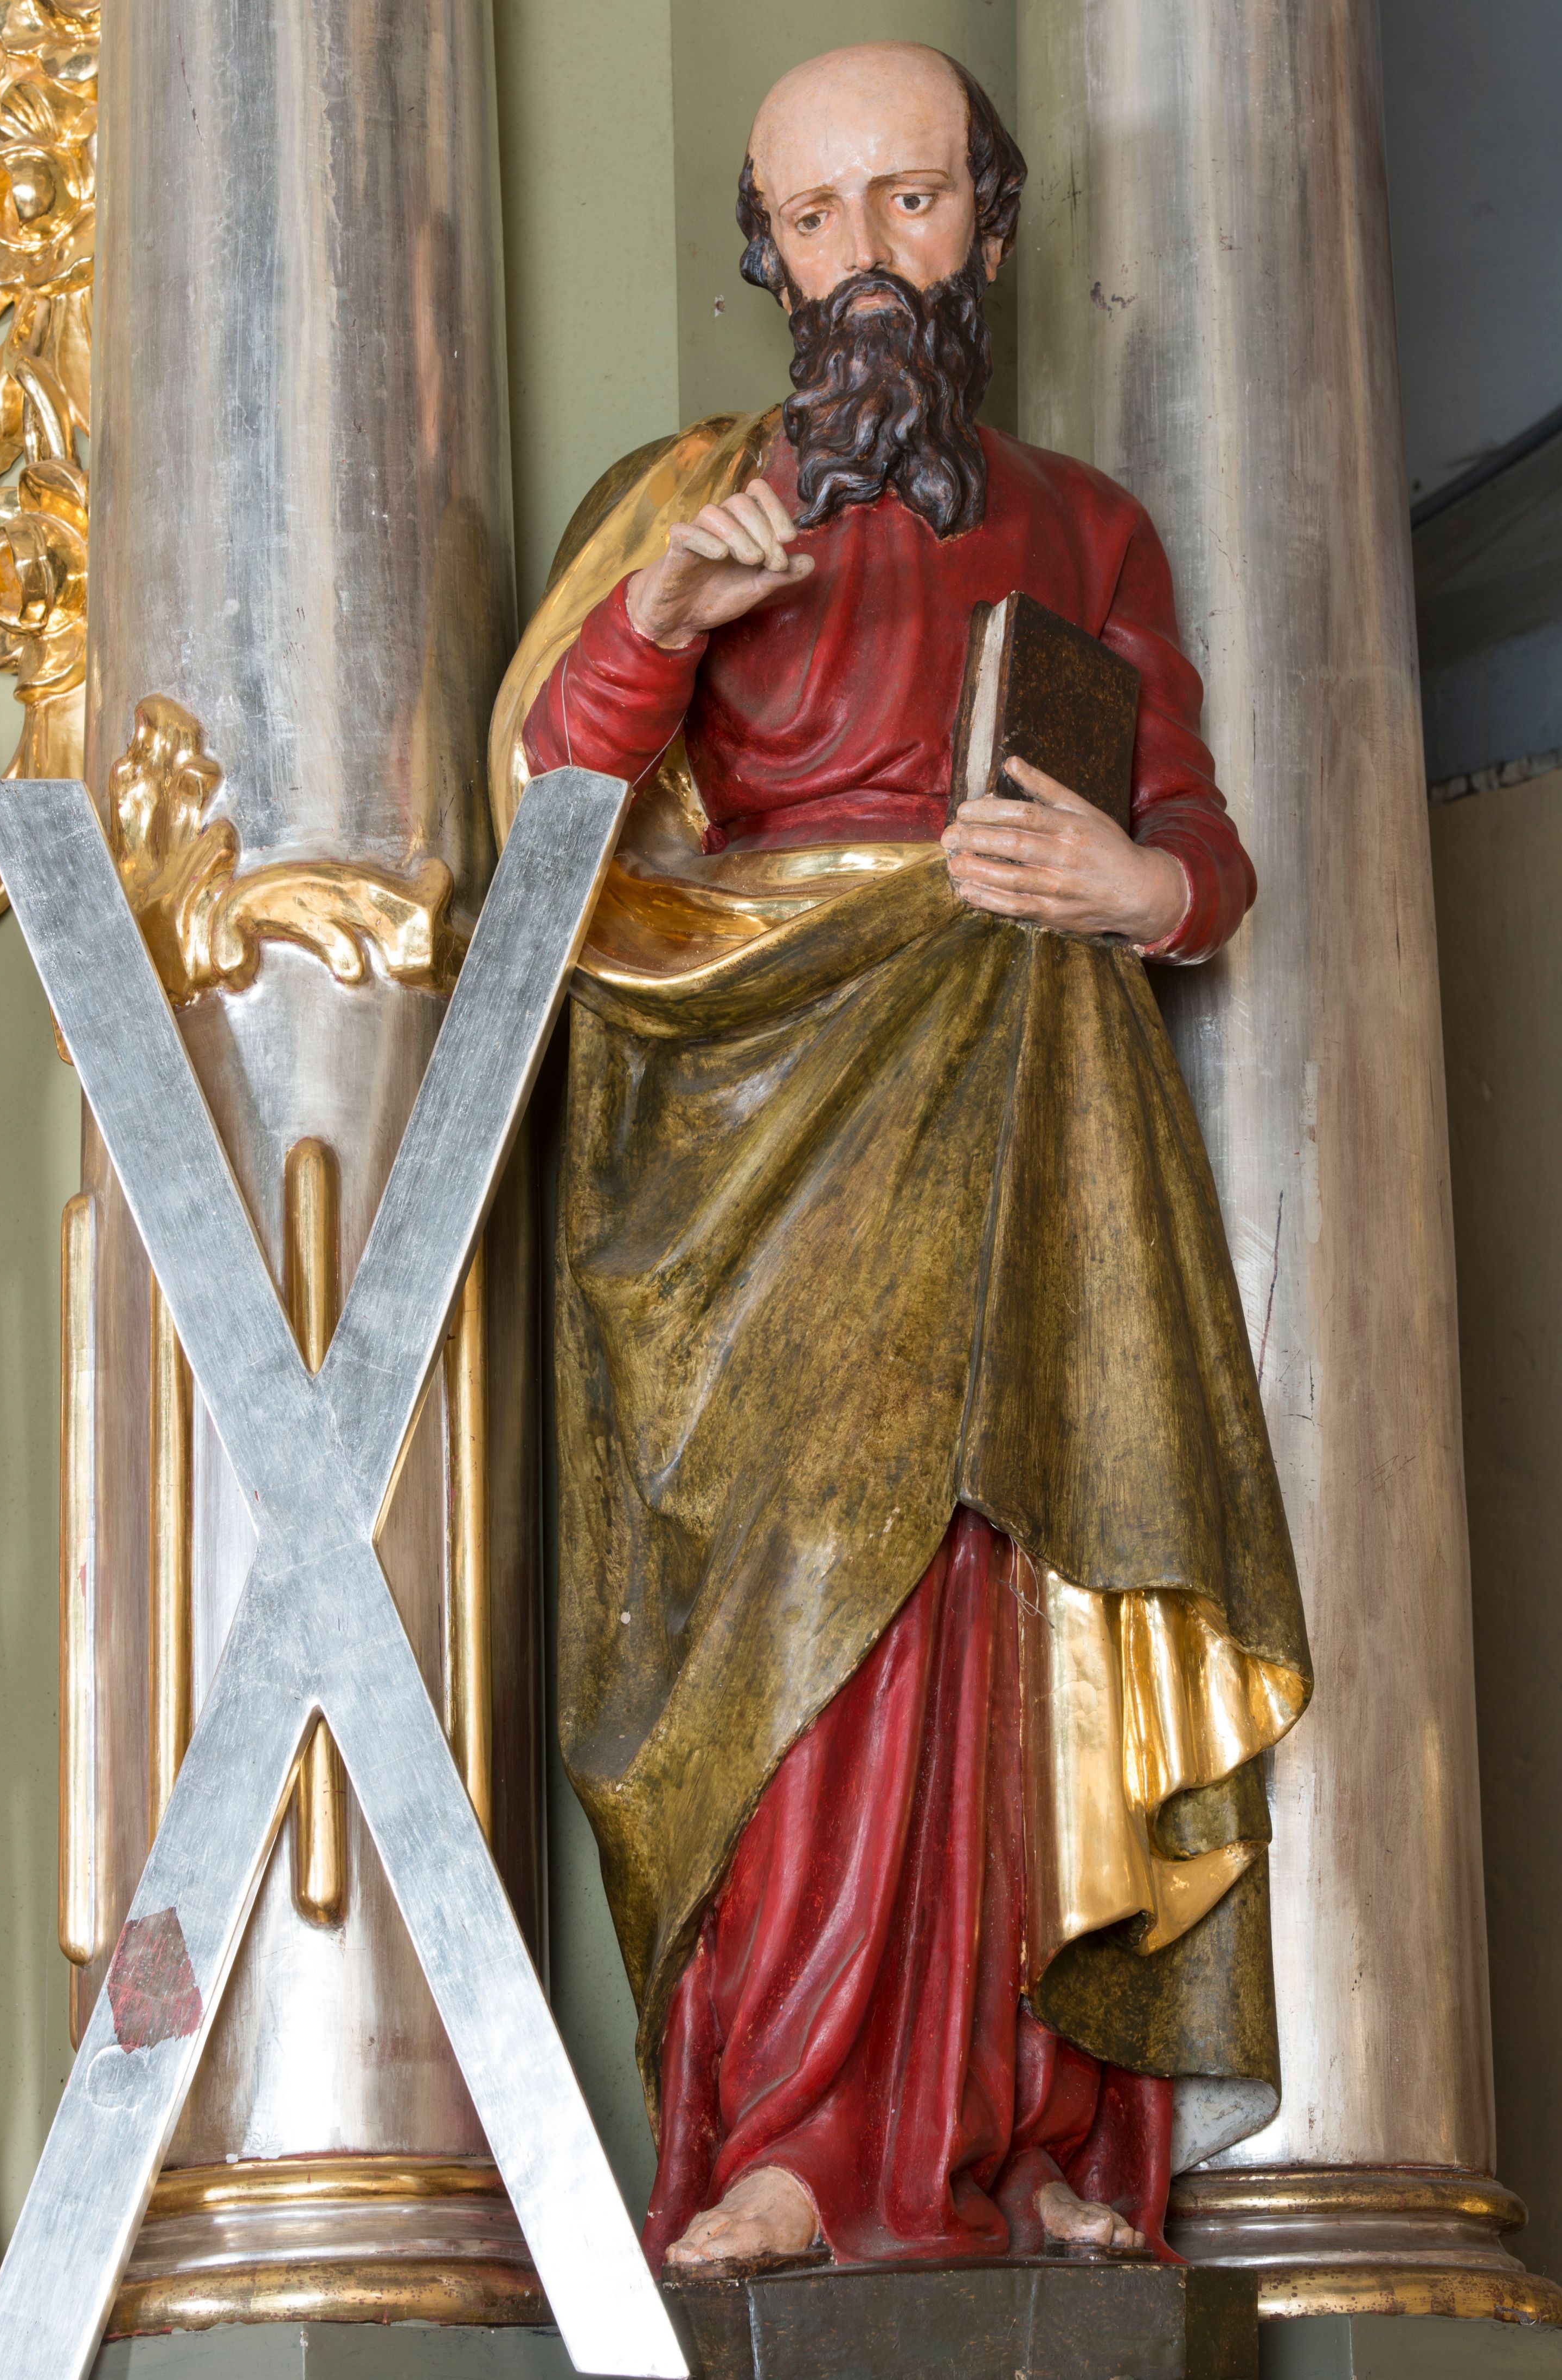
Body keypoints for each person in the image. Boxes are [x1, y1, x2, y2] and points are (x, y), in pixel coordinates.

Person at [488, 40, 1310, 2277]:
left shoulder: (1086, 524)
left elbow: (1195, 831)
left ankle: (1028, 2131)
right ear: (765, 252)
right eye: (818, 216)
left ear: (993, 229)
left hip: (1035, 1112)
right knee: (797, 1617)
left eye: (914, 203)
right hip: (753, 1145)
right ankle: (786, 2138)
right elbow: (549, 844)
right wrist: (658, 631)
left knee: (1008, 1593)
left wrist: (1139, 890)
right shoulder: (679, 510)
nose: (868, 259)